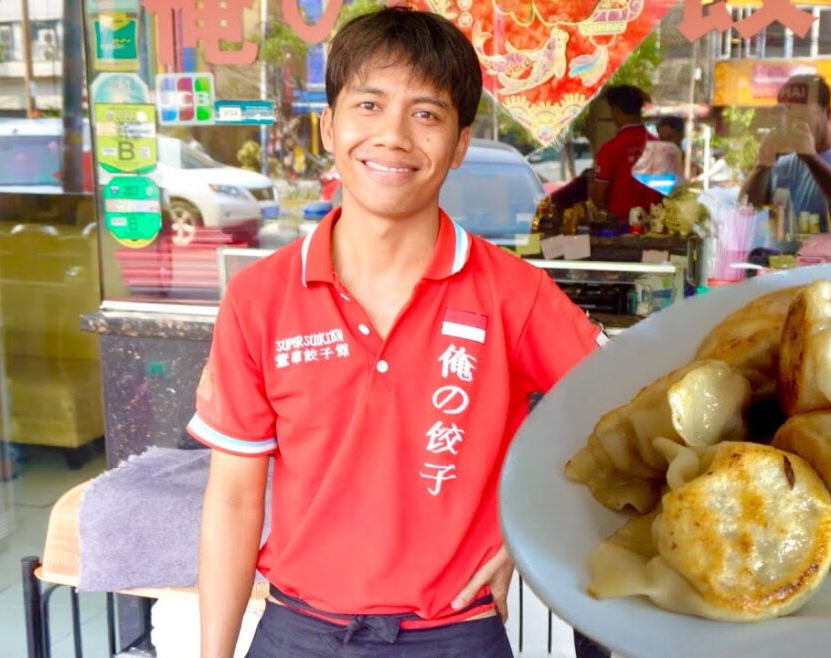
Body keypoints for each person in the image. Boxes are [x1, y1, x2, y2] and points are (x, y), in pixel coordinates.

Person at [192, 8, 605, 658]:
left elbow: (622, 420)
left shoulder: (514, 294)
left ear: (459, 144)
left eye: (426, 114)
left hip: (456, 636)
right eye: (369, 105)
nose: (392, 136)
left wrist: (528, 531)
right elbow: (234, 502)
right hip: (299, 631)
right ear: (329, 126)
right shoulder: (259, 299)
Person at [739, 74, 831, 232]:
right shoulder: (782, 163)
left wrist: (811, 158)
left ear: (828, 113)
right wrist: (762, 165)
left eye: (800, 117)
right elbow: (746, 209)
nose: (791, 124)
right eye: (785, 118)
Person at [589, 85, 664, 220]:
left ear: (615, 110)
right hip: (655, 225)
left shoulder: (610, 149)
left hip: (620, 226)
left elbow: (599, 198)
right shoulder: (660, 146)